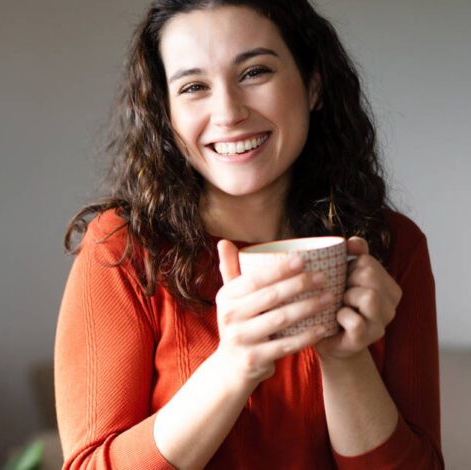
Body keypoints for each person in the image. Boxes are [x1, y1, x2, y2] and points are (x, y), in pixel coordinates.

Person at [54, 0, 443, 468]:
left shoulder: (392, 248)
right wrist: (233, 365)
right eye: (194, 86)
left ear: (313, 83)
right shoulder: (121, 249)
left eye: (255, 72)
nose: (228, 112)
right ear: (167, 112)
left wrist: (345, 359)